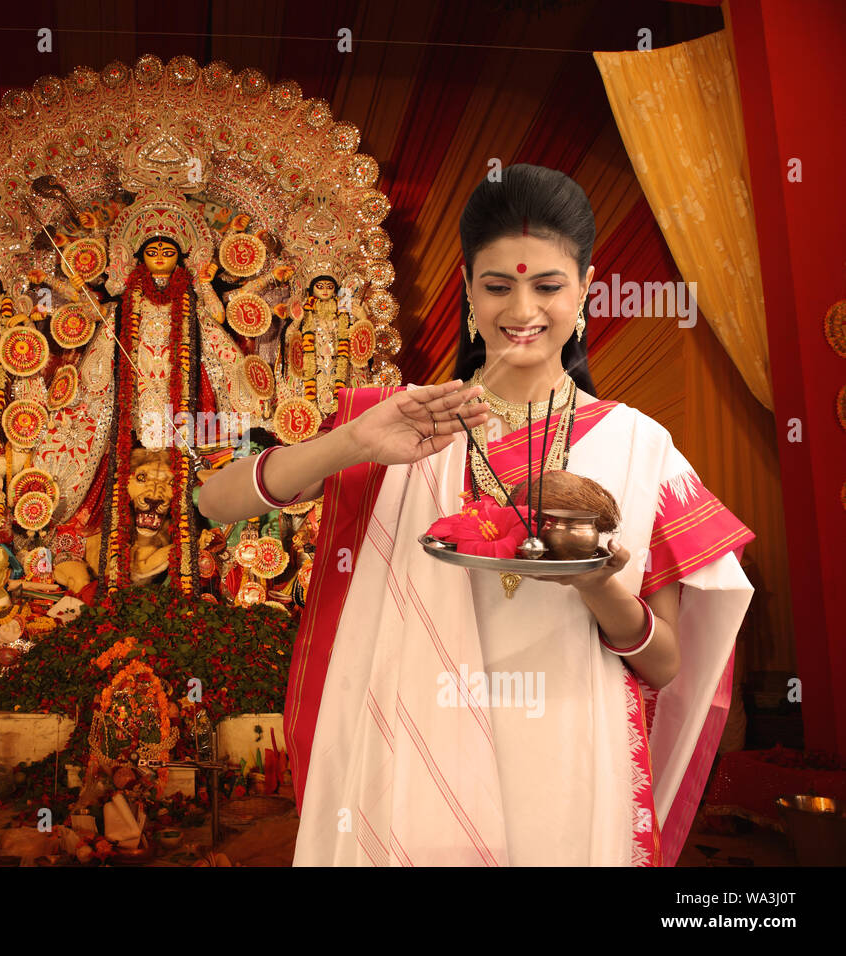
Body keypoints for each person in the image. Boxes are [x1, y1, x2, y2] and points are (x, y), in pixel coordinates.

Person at [197, 164, 754, 866]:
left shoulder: (640, 446)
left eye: (548, 286)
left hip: (568, 764)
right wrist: (351, 443)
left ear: (584, 291)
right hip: (411, 750)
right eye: (498, 286)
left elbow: (666, 662)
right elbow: (214, 502)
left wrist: (594, 583)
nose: (523, 309)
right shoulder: (402, 421)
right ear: (467, 294)